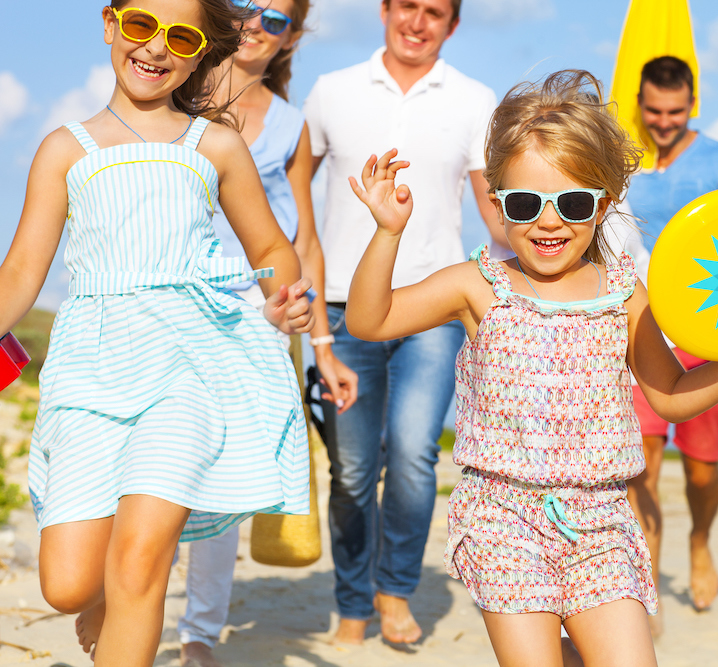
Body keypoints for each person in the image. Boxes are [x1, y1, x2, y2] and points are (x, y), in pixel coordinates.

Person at [344, 69, 718, 667]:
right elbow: (369, 320)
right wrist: (387, 233)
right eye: (526, 202)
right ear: (497, 203)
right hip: (503, 517)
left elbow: (669, 396)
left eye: (574, 202)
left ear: (604, 204)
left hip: (603, 521)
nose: (549, 220)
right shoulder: (479, 286)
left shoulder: (624, 293)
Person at [0, 1, 315, 664]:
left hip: (190, 364)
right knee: (66, 582)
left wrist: (284, 298)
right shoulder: (65, 148)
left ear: (202, 51)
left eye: (182, 35)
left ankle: (134, 580)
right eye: (142, 25)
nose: (156, 48)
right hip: (90, 368)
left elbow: (272, 249)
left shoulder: (216, 144)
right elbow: (23, 270)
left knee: (140, 559)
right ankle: (104, 596)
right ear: (111, 24)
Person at [302, 0, 501, 645]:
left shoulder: (476, 101)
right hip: (342, 305)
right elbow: (294, 188)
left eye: (435, 12)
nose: (418, 22)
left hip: (434, 309)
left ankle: (393, 593)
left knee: (415, 455)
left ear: (453, 25)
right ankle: (352, 600)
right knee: (354, 469)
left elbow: (496, 213)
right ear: (385, 11)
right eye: (407, 7)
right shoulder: (331, 92)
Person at [174, 2, 359, 666]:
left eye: (275, 18)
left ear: (292, 37)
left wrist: (325, 348)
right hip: (172, 302)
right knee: (154, 463)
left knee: (223, 476)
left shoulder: (289, 126)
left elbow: (304, 237)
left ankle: (198, 632)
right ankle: (124, 594)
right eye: (246, 7)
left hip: (257, 313)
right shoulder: (173, 88)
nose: (255, 24)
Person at [616, 55, 718, 618]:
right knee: (642, 461)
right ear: (640, 104)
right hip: (644, 324)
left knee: (701, 469)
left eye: (675, 112)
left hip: (710, 328)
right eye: (654, 110)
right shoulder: (625, 165)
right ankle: (644, 588)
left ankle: (700, 540)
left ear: (692, 105)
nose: (664, 121)